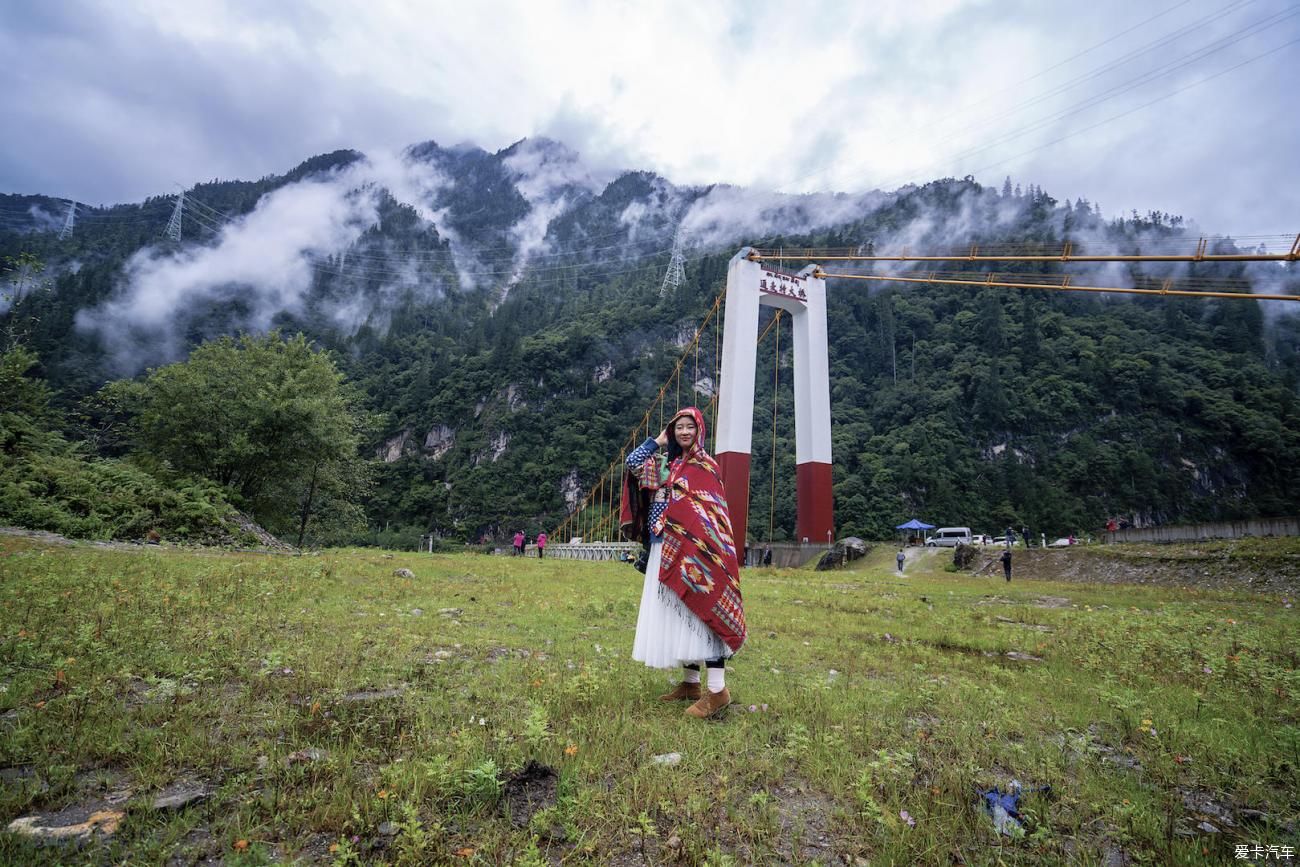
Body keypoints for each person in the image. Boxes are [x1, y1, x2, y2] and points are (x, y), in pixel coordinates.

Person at [620, 407, 745, 719]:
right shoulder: (666, 464)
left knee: (704, 611)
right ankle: (691, 684)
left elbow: (712, 516)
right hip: (664, 547)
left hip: (696, 553)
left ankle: (717, 690)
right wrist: (658, 441)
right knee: (680, 613)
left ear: (700, 430)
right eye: (679, 428)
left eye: (690, 427)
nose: (685, 432)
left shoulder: (706, 466)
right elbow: (632, 463)